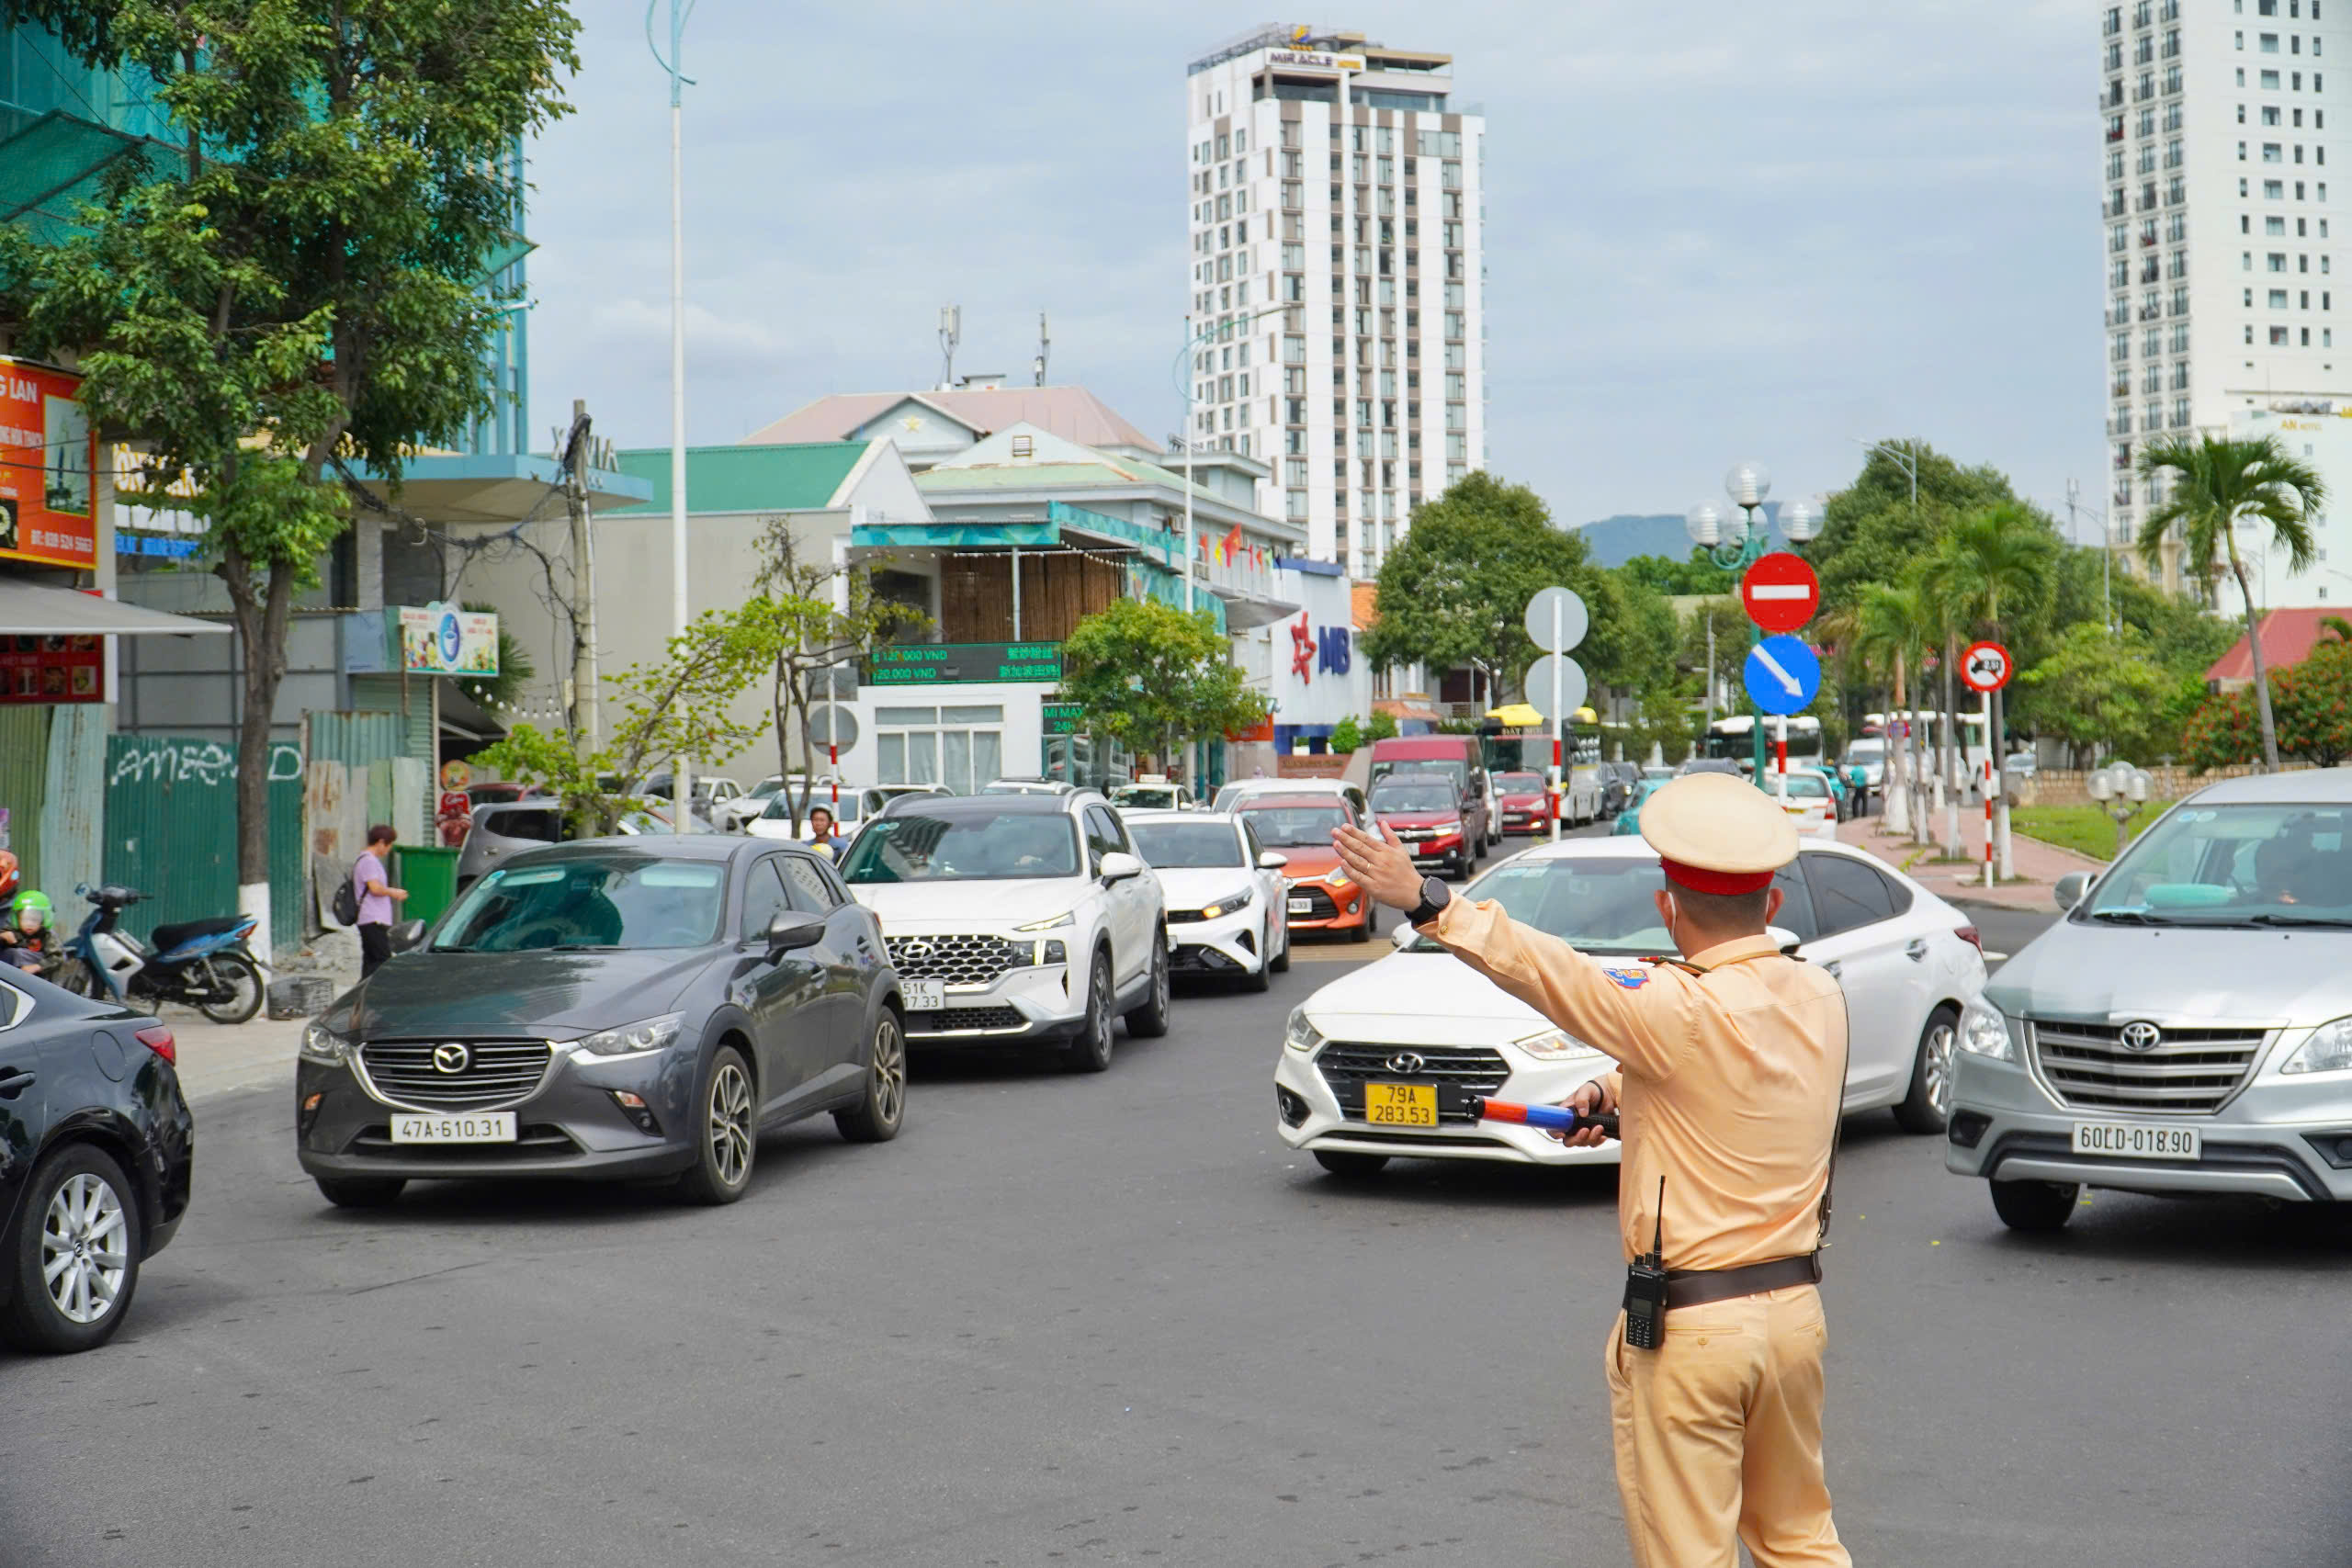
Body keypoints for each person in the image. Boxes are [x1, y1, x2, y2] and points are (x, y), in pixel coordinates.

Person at [1332, 772, 1851, 1568]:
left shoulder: (1674, 1008)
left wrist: (1431, 899)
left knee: (1690, 1554)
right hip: (1793, 1317)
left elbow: (1552, 972)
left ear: (1667, 906)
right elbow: (1736, 1077)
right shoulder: (1819, 994)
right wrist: (1616, 1092)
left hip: (1697, 1329)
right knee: (1799, 1540)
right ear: (1771, 906)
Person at [353, 823, 408, 976]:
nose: (389, 849)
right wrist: (393, 892)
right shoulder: (368, 861)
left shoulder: (365, 859)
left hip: (371, 918)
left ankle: (361, 994)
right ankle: (369, 993)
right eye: (389, 845)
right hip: (373, 918)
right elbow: (375, 888)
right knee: (382, 960)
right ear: (381, 842)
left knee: (371, 961)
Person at [0, 889, 55, 974]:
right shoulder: (13, 931)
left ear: (42, 920)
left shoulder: (47, 935)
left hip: (38, 978)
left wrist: (37, 967)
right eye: (25, 919)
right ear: (17, 919)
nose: (29, 924)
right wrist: (3, 936)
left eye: (34, 920)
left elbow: (57, 957)